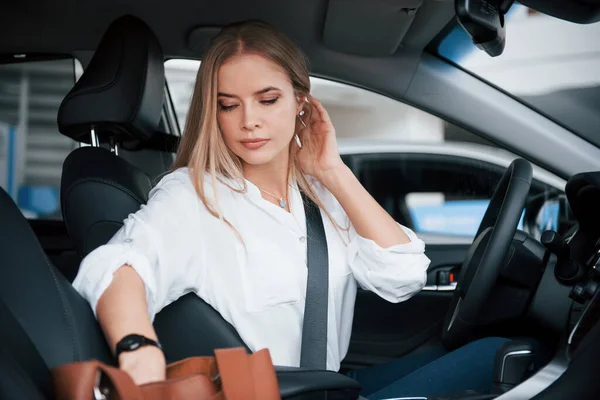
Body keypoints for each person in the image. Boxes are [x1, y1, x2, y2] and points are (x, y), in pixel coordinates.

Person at [72, 20, 507, 398]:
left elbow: (403, 276)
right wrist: (137, 348)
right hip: (271, 394)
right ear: (213, 112)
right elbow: (121, 265)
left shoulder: (320, 194)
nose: (248, 121)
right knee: (502, 358)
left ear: (301, 101)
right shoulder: (193, 196)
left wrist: (333, 171)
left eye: (267, 99)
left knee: (496, 352)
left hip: (328, 386)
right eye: (228, 105)